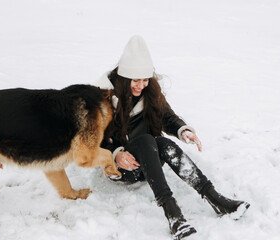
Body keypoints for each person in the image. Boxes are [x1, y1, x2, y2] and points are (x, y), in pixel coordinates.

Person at [95, 35, 250, 240]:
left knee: (164, 144)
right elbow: (92, 140)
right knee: (146, 140)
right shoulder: (101, 98)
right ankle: (173, 214)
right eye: (135, 80)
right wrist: (115, 155)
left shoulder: (149, 92)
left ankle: (215, 199)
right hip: (121, 168)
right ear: (124, 79)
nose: (141, 85)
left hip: (148, 162)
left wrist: (182, 130)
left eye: (145, 79)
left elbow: (166, 117)